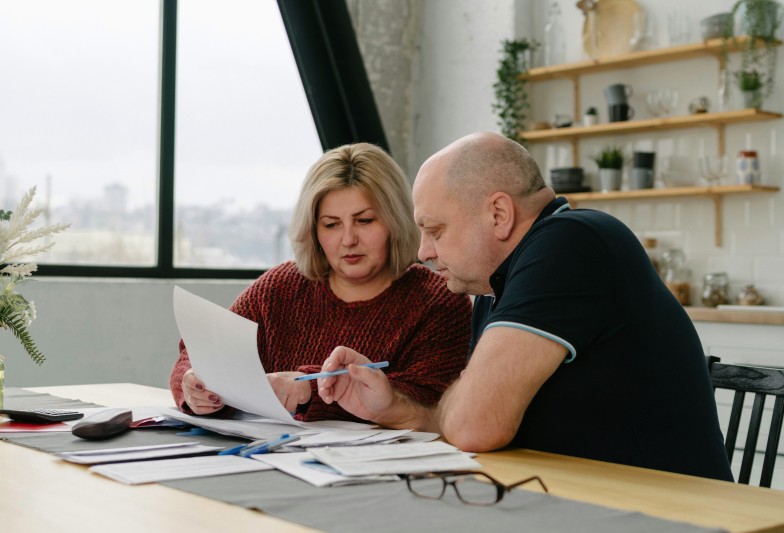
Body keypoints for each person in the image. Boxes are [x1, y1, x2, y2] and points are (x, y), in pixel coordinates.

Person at [317, 132, 734, 481]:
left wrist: (460, 406)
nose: (424, 251)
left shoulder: (572, 243)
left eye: (435, 230)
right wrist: (397, 408)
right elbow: (468, 416)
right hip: (581, 501)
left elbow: (473, 426)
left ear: (499, 213)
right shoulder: (496, 286)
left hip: (671, 516)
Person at [170, 142, 471, 422]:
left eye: (365, 221)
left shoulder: (439, 300)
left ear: (395, 221)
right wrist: (194, 382)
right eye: (331, 225)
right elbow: (202, 353)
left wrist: (307, 389)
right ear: (313, 230)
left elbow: (430, 402)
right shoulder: (278, 288)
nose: (348, 240)